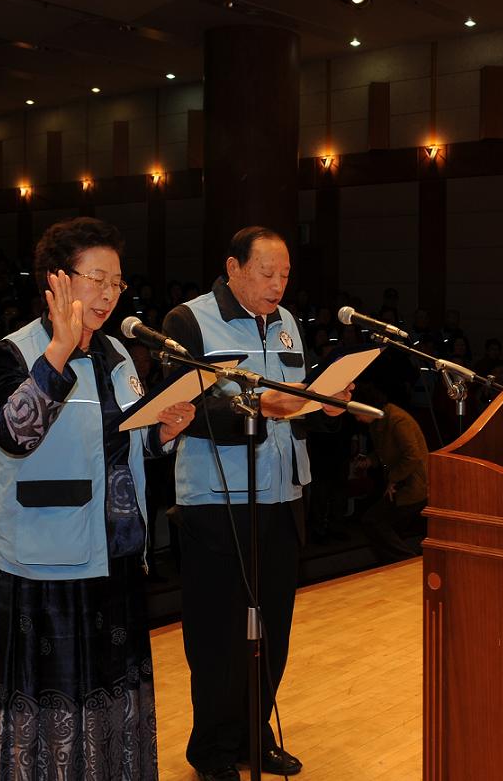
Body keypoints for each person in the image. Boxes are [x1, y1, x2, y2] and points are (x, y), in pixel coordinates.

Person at [0, 217, 196, 780]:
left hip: (113, 553)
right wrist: (59, 351)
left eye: (116, 283)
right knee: (51, 705)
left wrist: (163, 432)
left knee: (110, 697)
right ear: (57, 281)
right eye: (96, 279)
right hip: (42, 561)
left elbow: (120, 446)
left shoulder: (118, 354)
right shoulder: (15, 352)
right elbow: (13, 435)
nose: (107, 294)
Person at [163, 226, 352, 781]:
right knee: (218, 633)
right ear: (233, 268)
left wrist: (325, 404)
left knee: (274, 629)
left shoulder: (289, 323)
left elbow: (295, 399)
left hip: (282, 493)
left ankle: (254, 735)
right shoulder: (187, 322)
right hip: (216, 499)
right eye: (267, 273)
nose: (278, 284)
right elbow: (184, 408)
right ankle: (212, 750)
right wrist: (257, 407)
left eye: (285, 274)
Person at [352, 380, 428, 563]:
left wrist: (393, 480)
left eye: (357, 414)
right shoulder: (378, 421)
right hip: (401, 484)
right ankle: (401, 562)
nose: (357, 419)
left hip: (412, 485)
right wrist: (370, 460)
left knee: (374, 522)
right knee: (380, 524)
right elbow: (386, 452)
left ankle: (406, 561)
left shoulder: (397, 420)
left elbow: (412, 456)